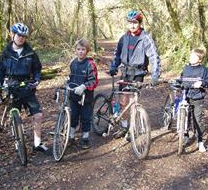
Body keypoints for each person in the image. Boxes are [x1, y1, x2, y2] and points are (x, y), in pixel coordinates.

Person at [0, 23, 51, 155]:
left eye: (24, 36)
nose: (21, 38)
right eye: (19, 35)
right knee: (14, 115)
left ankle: (37, 143)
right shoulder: (5, 54)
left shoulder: (31, 53)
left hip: (27, 86)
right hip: (12, 86)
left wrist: (37, 80)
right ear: (12, 35)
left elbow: (37, 68)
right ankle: (17, 141)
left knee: (38, 115)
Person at [109, 10, 161, 139]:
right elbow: (117, 54)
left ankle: (131, 128)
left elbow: (154, 57)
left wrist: (155, 74)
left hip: (138, 73)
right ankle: (124, 126)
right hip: (125, 72)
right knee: (123, 100)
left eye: (135, 23)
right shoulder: (124, 38)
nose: (132, 25)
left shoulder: (145, 38)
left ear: (139, 23)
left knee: (132, 100)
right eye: (130, 23)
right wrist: (113, 66)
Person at [68, 38, 98, 149]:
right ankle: (71, 137)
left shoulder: (90, 64)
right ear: (75, 50)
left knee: (85, 117)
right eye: (78, 49)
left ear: (87, 51)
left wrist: (84, 86)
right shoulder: (73, 63)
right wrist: (67, 84)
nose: (80, 51)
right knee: (73, 116)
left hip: (86, 97)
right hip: (74, 96)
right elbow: (70, 77)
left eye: (83, 49)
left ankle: (85, 138)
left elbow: (94, 81)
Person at [180, 48, 208, 152]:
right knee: (185, 117)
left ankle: (200, 141)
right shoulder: (186, 68)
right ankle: (185, 135)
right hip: (186, 95)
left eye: (194, 56)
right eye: (191, 55)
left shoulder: (203, 70)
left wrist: (201, 83)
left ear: (199, 59)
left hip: (198, 98)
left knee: (197, 119)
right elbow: (181, 79)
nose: (191, 57)